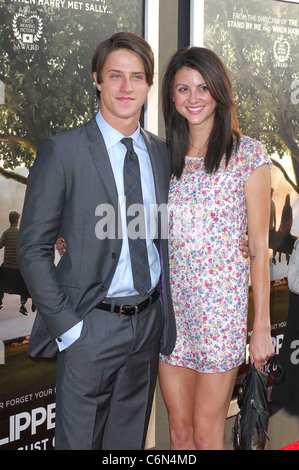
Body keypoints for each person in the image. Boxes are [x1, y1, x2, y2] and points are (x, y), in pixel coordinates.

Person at [17, 31, 176, 450]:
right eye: (116, 76)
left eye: (137, 77)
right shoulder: (63, 151)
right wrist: (69, 329)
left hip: (147, 327)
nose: (127, 88)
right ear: (97, 80)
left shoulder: (161, 154)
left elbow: (166, 234)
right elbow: (31, 248)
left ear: (148, 84)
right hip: (89, 325)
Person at [158, 46, 275, 450]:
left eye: (203, 87)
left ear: (219, 91)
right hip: (172, 317)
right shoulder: (164, 158)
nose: (193, 98)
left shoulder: (248, 155)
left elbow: (258, 246)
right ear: (171, 97)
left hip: (219, 317)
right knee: (180, 432)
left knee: (208, 433)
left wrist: (260, 328)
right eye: (183, 88)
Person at [0, 210, 29, 315]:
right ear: (17, 221)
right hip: (18, 269)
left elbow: (0, 245)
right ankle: (23, 304)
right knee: (26, 281)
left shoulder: (6, 233)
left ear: (9, 221)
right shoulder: (21, 234)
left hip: (7, 268)